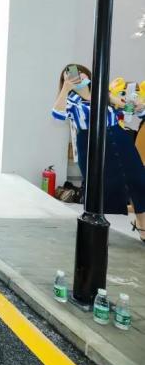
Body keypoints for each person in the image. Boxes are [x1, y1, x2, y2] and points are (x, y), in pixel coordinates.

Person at [52, 66, 145, 240]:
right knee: (97, 186)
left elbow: (128, 109)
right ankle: (94, 230)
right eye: (70, 73)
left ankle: (142, 224)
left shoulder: (104, 95)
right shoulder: (71, 100)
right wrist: (66, 87)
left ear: (88, 74)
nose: (76, 75)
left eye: (79, 71)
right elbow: (57, 116)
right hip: (91, 142)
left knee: (138, 178)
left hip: (119, 138)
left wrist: (138, 107)